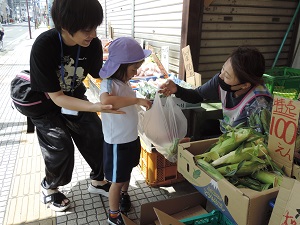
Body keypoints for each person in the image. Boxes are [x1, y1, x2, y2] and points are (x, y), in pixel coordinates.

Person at [29, 0, 123, 212]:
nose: (92, 34)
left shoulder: (93, 44)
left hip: (74, 97)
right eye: (86, 29)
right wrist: (98, 107)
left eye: (95, 27)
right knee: (60, 146)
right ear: (64, 26)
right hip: (46, 104)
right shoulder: (45, 46)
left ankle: (98, 181)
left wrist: (124, 65)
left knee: (98, 135)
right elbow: (57, 98)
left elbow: (100, 73)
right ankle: (49, 187)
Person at [99, 37, 152, 225]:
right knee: (115, 179)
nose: (136, 72)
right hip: (117, 142)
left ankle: (124, 195)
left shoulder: (125, 83)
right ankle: (113, 216)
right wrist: (137, 101)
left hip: (131, 137)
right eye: (133, 69)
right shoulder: (108, 84)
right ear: (120, 67)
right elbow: (106, 102)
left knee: (127, 171)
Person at [159, 46, 273, 133]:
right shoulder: (221, 79)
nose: (221, 76)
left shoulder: (258, 105)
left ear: (245, 85)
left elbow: (252, 142)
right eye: (222, 69)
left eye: (227, 76)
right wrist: (177, 89)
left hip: (243, 144)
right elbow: (197, 95)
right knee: (206, 125)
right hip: (229, 133)